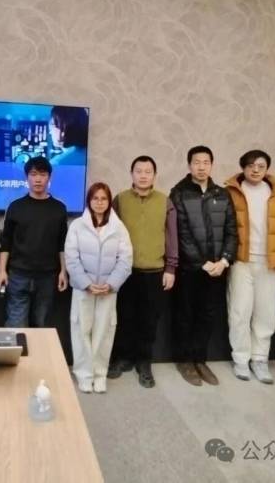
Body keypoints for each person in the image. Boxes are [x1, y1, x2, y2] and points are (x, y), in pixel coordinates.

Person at [224, 150, 275, 383]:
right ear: (243, 168)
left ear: (267, 168)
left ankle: (260, 359)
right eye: (250, 165)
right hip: (241, 261)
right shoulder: (230, 192)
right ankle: (240, 359)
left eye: (260, 166)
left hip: (269, 262)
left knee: (265, 314)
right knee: (239, 311)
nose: (255, 170)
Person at [169, 145, 237, 387]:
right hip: (190, 269)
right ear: (189, 165)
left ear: (211, 165)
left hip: (218, 268)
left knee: (207, 315)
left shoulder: (222, 194)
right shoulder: (179, 193)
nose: (201, 167)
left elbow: (231, 230)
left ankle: (200, 359)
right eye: (196, 162)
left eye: (206, 162)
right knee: (185, 315)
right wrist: (203, 263)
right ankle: (185, 360)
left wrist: (225, 260)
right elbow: (181, 233)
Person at [108, 156, 177, 388]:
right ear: (132, 174)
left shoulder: (165, 201)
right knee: (124, 318)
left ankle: (144, 362)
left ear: (154, 175)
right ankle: (122, 358)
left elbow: (172, 237)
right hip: (124, 272)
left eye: (148, 171)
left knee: (148, 321)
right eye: (139, 171)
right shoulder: (120, 200)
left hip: (154, 271)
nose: (143, 175)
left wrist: (171, 268)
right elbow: (110, 233)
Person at [65, 182, 132, 394]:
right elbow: (71, 258)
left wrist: (111, 284)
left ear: (109, 201)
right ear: (89, 201)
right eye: (95, 198)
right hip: (83, 289)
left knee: (104, 332)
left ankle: (99, 374)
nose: (100, 203)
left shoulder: (119, 228)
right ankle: (84, 374)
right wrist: (85, 283)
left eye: (104, 199)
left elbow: (126, 260)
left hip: (107, 290)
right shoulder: (77, 226)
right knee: (81, 330)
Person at [0, 157, 68, 327]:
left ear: (49, 178)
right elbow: (6, 242)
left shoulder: (59, 208)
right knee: (16, 325)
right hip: (18, 274)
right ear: (27, 177)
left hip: (47, 276)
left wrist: (63, 271)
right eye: (33, 174)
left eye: (42, 175)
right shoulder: (15, 207)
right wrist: (1, 271)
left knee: (42, 325)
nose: (38, 179)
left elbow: (62, 243)